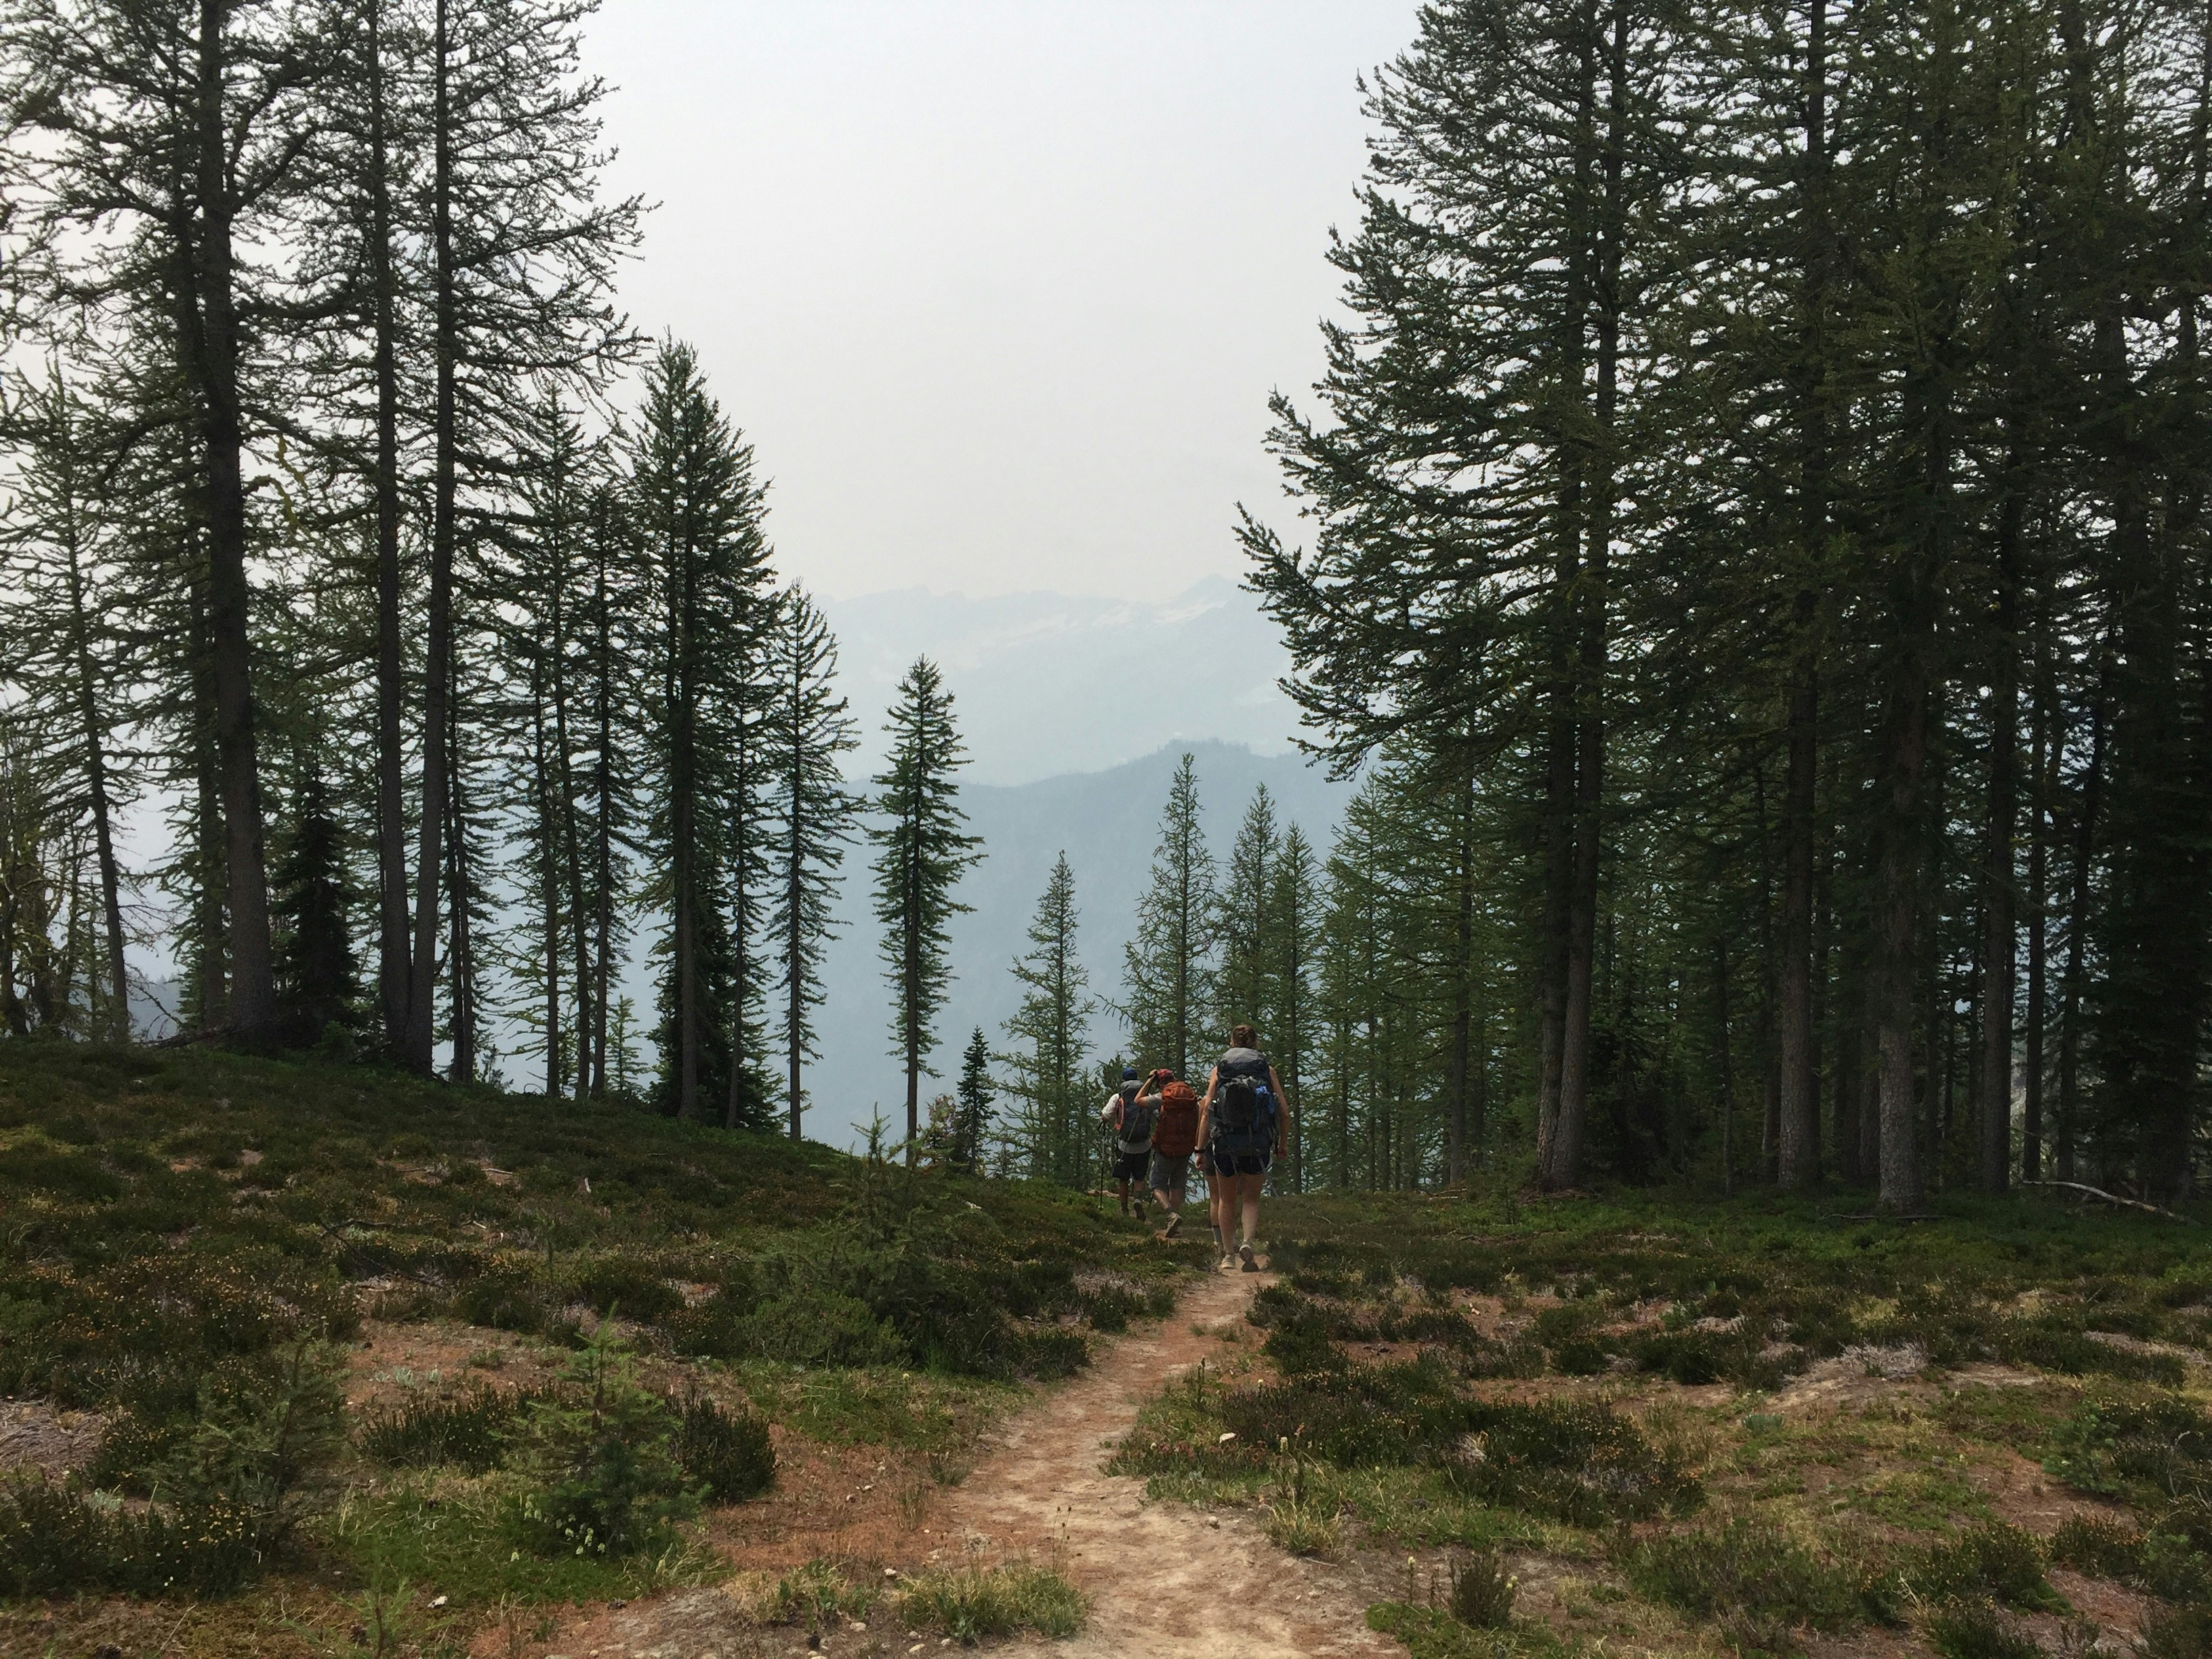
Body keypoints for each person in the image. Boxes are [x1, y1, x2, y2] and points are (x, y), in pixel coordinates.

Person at [1195, 1024, 1291, 1273]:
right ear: (1255, 1044)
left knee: (1227, 1200)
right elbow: (1284, 1112)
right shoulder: (1266, 1071)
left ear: (1231, 1043)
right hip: (1258, 1142)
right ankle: (1248, 1243)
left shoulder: (1221, 1070)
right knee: (1250, 1199)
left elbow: (1206, 1109)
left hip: (1225, 1142)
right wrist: (1281, 1144)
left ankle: (1228, 1256)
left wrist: (1199, 1148)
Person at [1147, 1068, 1199, 1237]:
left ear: (1160, 1083)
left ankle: (1171, 1214)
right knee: (1177, 1184)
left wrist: (1149, 1081)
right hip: (1185, 1149)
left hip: (1165, 1150)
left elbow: (1138, 1100)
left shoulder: (1163, 1097)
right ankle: (1174, 1224)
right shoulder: (1189, 1096)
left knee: (1156, 1184)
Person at [1099, 1066, 1154, 1215]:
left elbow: (1105, 1116)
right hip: (1144, 1145)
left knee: (1123, 1179)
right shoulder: (1146, 1097)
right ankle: (1137, 1200)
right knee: (1139, 1177)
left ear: (1124, 1081)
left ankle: (1124, 1209)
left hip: (1125, 1146)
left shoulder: (1118, 1097)